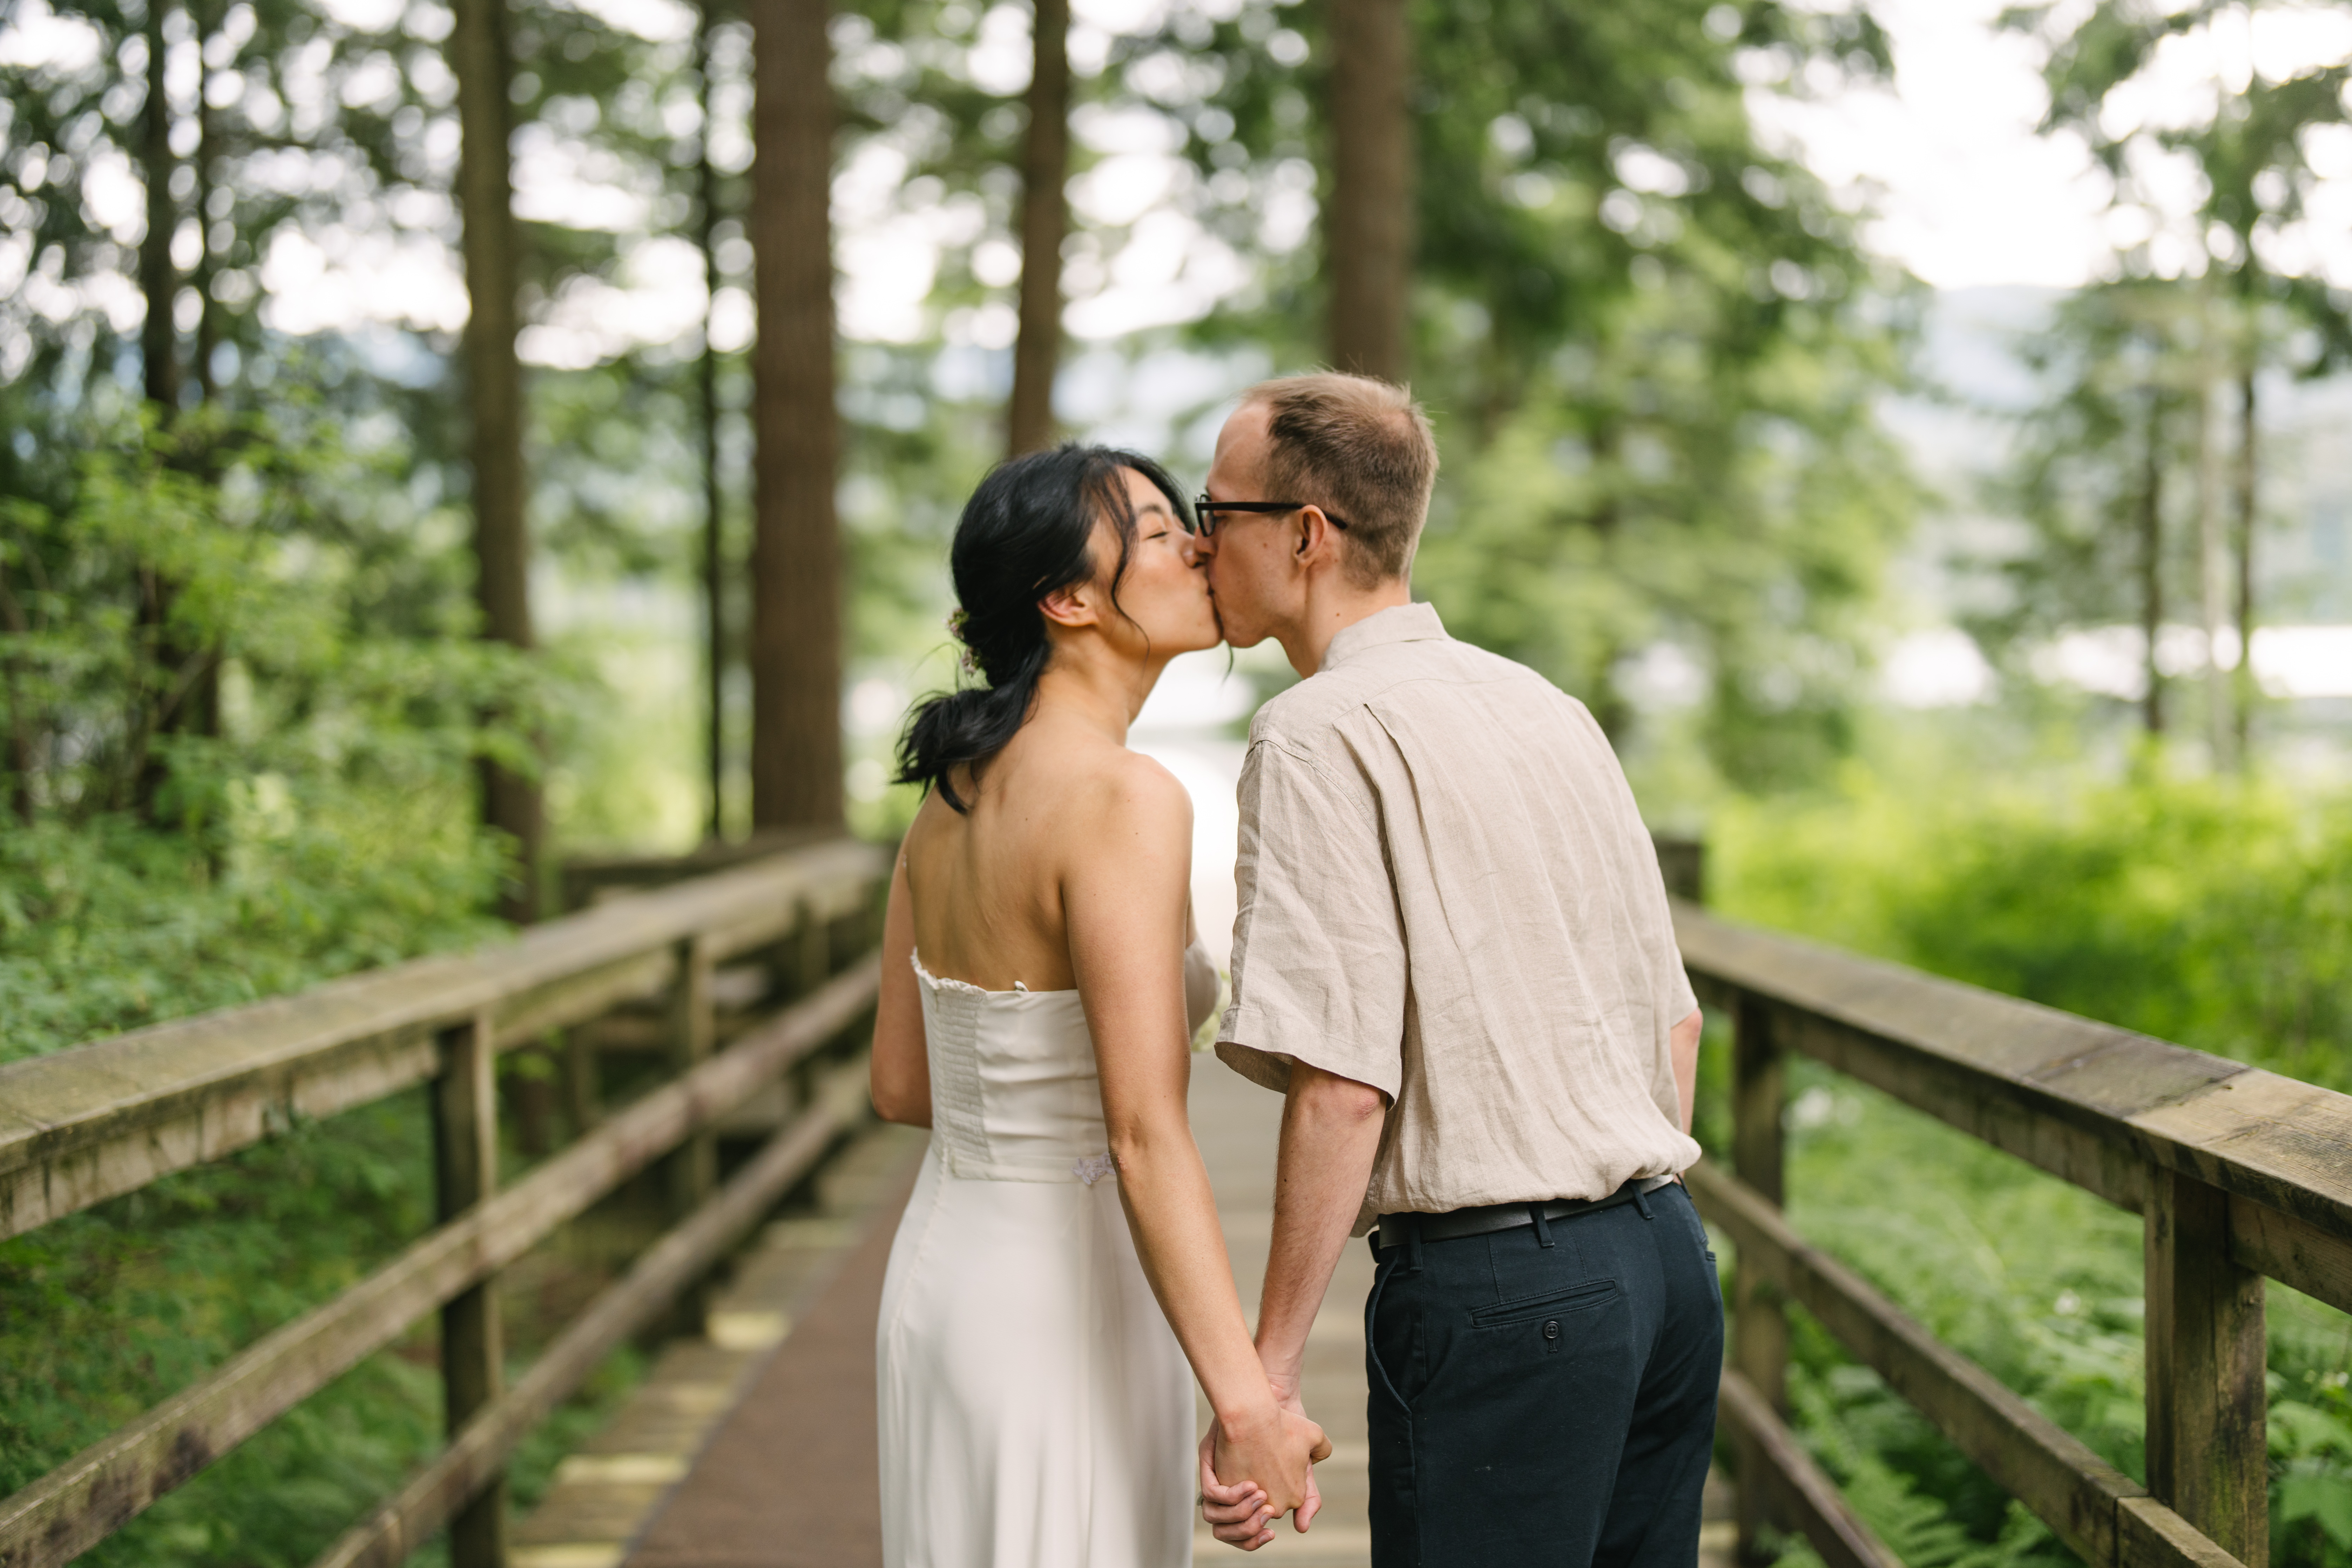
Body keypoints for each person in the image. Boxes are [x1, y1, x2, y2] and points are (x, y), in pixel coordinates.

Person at [1190, 374, 1719, 1567]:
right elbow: (1671, 1024)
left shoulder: (1317, 732)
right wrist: (1605, 1227)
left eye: (1216, 512)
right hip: (1665, 1262)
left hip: (1504, 1297)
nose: (1196, 541)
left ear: (1306, 535)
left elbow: (1341, 1080)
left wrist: (1264, 1383)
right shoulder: (1546, 707)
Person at [869, 444, 1328, 1568]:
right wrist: (1249, 1409)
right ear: (1069, 599)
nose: (1199, 544)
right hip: (1057, 1300)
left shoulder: (949, 800)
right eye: (1159, 530)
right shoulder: (1124, 798)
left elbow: (900, 1084)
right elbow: (1140, 1134)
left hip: (949, 1272)